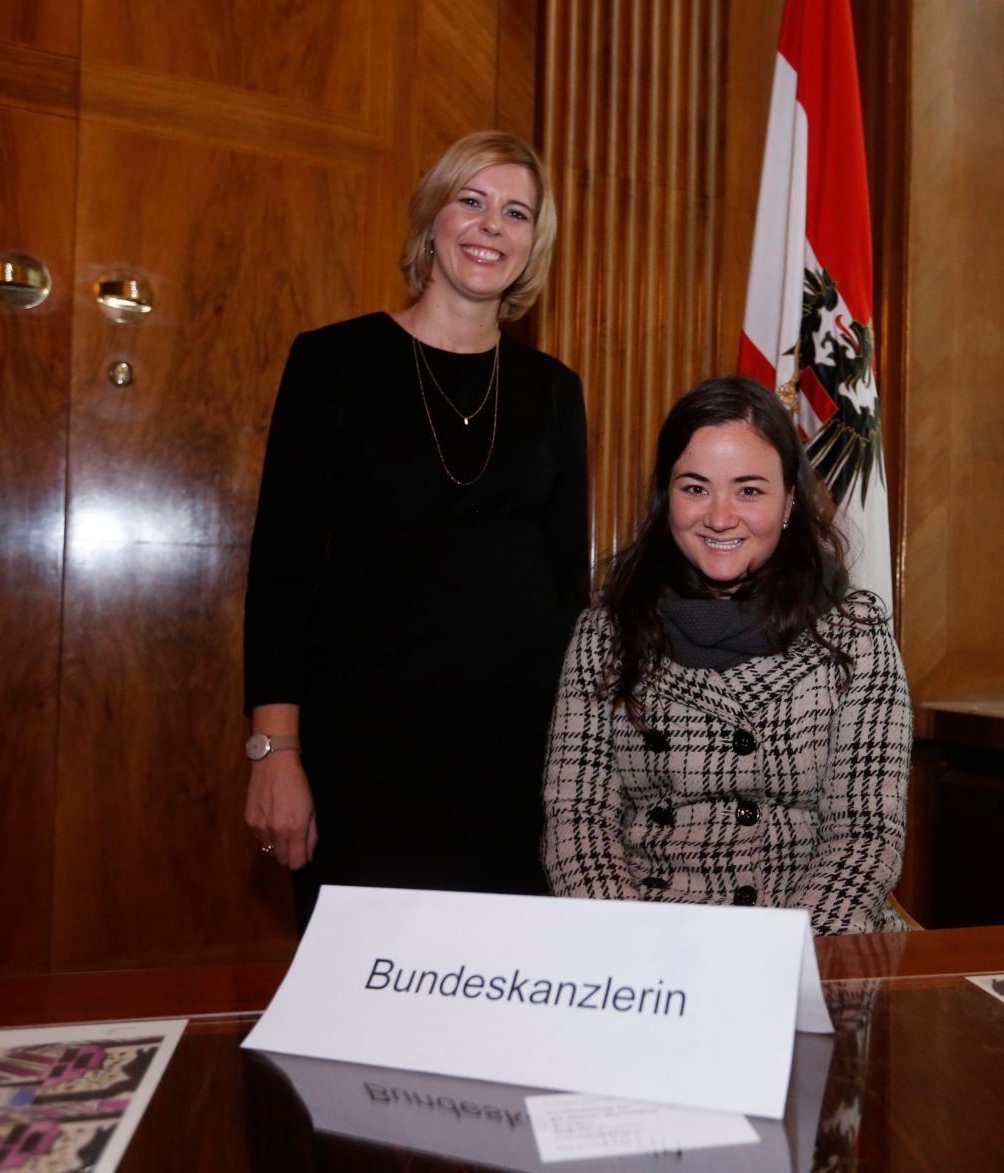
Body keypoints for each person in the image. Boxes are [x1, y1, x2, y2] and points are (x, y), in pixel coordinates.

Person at [243, 131, 587, 927]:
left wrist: (579, 772)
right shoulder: (332, 364)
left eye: (516, 213)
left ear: (534, 243)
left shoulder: (555, 392)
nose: (490, 227)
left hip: (516, 769)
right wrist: (274, 751)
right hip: (361, 762)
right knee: (359, 1017)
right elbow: (282, 571)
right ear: (433, 217)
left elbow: (569, 589)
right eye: (471, 201)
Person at [542, 376, 910, 934]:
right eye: (695, 488)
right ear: (668, 498)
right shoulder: (605, 634)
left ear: (789, 502)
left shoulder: (854, 633)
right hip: (650, 941)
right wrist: (624, 949)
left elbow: (865, 837)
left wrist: (784, 960)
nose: (719, 517)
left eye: (749, 490)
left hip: (810, 942)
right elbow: (576, 822)